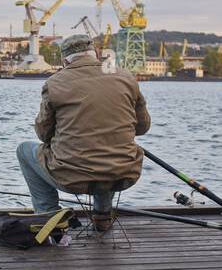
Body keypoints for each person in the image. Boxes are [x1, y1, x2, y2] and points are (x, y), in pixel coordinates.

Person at [18, 33, 151, 229]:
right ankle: (102, 217)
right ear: (95, 53)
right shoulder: (126, 77)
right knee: (107, 148)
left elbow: (43, 134)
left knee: (23, 150)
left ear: (65, 61)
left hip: (72, 178)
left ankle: (50, 219)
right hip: (124, 173)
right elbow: (143, 127)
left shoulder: (54, 83)